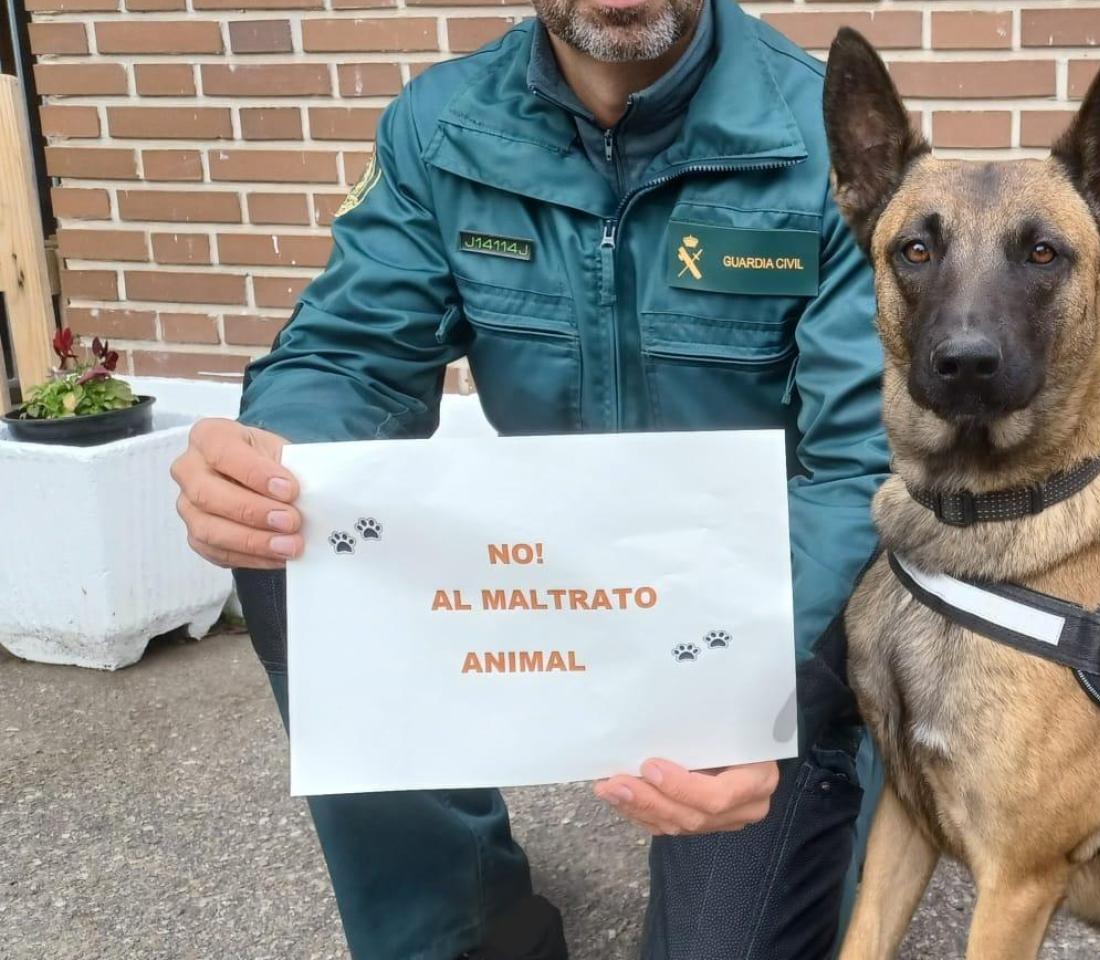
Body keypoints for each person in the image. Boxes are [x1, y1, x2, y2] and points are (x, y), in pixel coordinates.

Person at [167, 1, 887, 957]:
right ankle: (462, 923)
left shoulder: (830, 142)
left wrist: (744, 675)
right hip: (554, 579)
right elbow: (349, 358)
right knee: (288, 533)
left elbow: (862, 472)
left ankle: (840, 776)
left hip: (760, 614)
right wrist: (270, 453)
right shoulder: (444, 125)